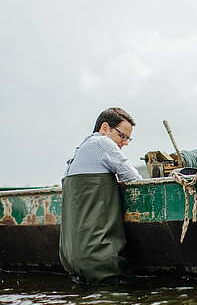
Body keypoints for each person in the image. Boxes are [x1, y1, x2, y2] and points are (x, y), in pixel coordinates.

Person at [60, 107, 142, 284]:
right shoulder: (101, 144)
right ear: (105, 128)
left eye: (128, 138)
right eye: (123, 136)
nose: (125, 142)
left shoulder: (79, 152)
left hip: (71, 259)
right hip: (99, 260)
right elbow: (133, 178)